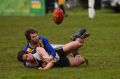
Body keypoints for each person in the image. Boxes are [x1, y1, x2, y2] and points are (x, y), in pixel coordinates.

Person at [17, 28, 90, 70]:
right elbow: (25, 61)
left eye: (36, 35)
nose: (36, 37)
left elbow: (52, 51)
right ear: (29, 40)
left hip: (56, 50)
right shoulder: (27, 50)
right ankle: (75, 53)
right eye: (33, 37)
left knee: (78, 44)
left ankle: (76, 37)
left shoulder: (42, 39)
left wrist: (49, 58)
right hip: (55, 62)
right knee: (81, 61)